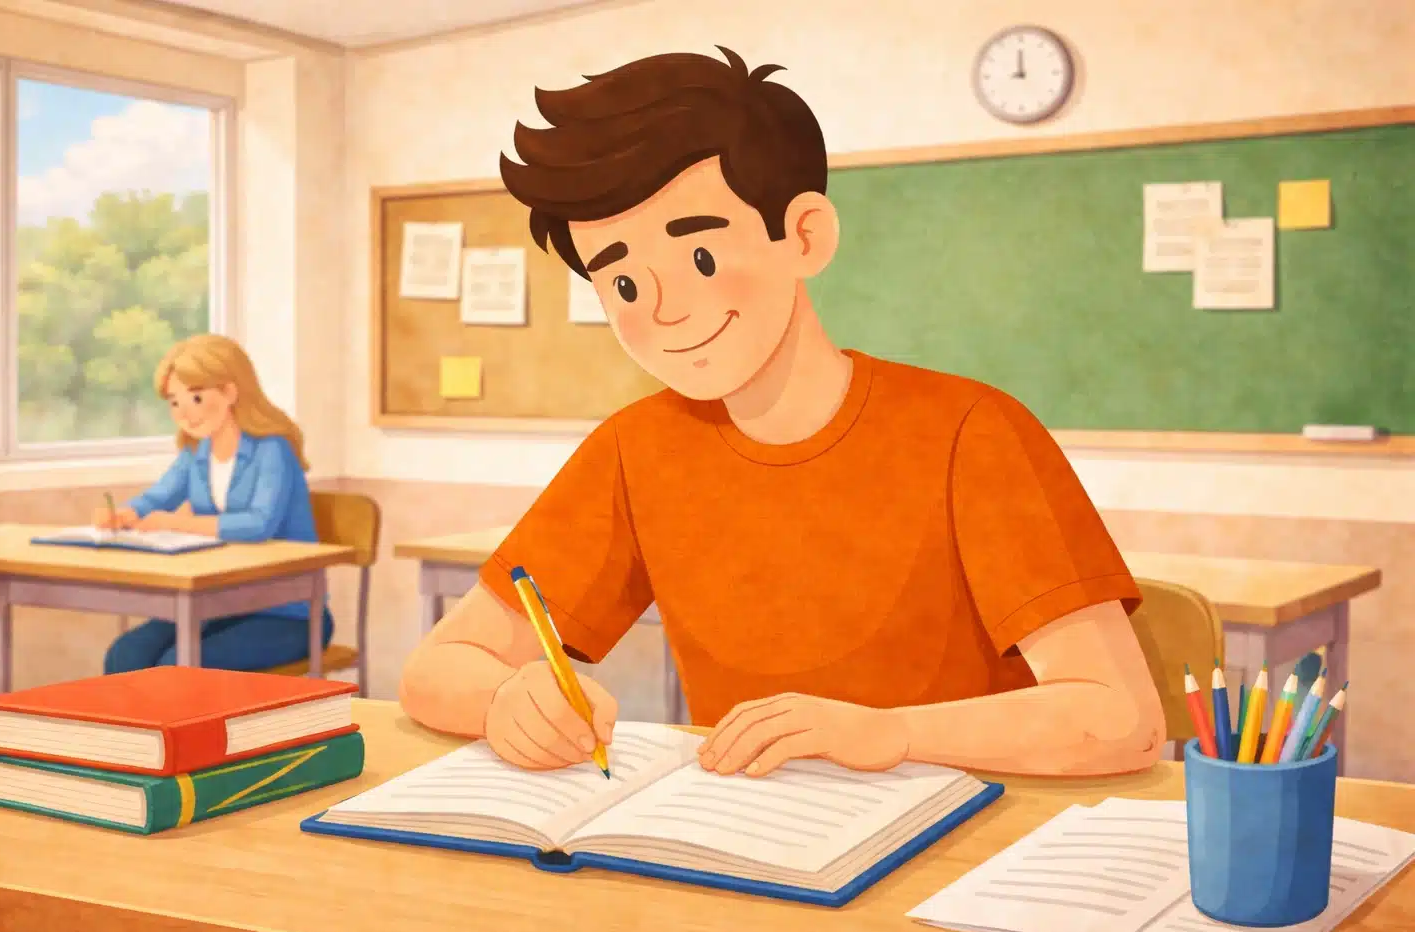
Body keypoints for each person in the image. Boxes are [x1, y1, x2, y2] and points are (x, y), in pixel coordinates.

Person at [398, 47, 1164, 779]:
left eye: (699, 256)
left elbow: (1121, 718)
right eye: (623, 285)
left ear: (804, 235)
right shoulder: (637, 451)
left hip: (965, 840)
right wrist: (507, 699)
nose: (661, 309)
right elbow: (436, 668)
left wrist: (889, 733)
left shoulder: (971, 432)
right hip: (757, 842)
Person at [97, 333, 334, 673]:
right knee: (125, 655)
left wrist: (175, 522)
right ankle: (135, 729)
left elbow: (258, 524)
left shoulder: (273, 450)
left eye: (195, 398)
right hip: (222, 605)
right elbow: (159, 496)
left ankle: (176, 729)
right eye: (174, 402)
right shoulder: (197, 452)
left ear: (230, 391)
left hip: (288, 613)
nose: (184, 414)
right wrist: (125, 514)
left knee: (177, 666)